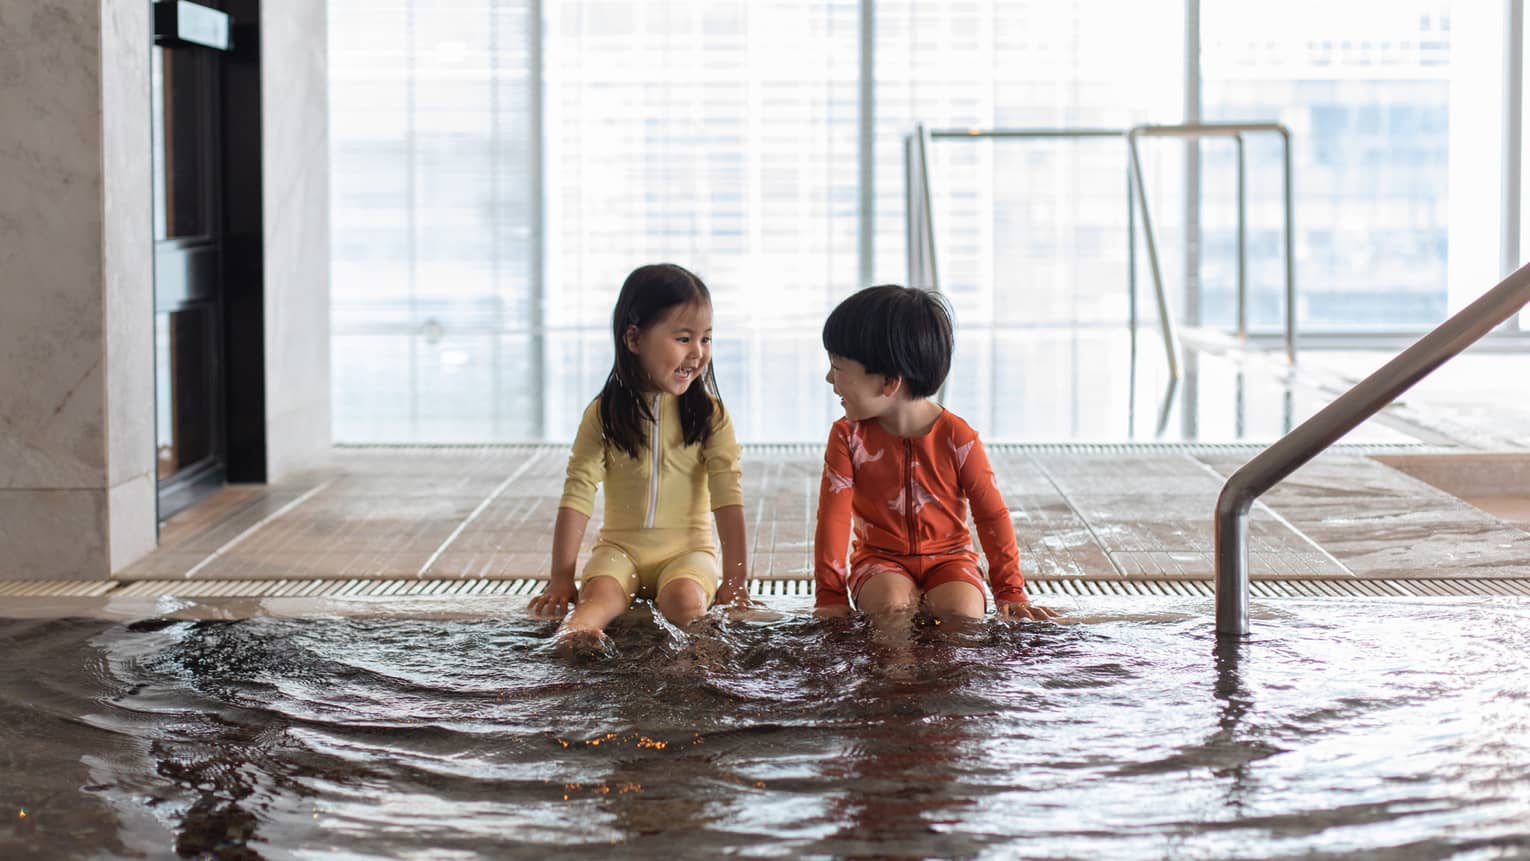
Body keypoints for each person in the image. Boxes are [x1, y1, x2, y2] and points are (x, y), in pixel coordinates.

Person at [528, 263, 749, 638]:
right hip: (620, 552)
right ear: (633, 339)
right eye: (683, 338)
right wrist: (561, 579)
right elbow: (578, 492)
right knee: (591, 607)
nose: (697, 352)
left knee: (687, 605)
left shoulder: (709, 415)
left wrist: (736, 580)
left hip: (688, 555)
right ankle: (576, 657)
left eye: (706, 339)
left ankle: (698, 673)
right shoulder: (605, 414)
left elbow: (728, 497)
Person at [813, 285, 1058, 622]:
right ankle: (894, 673)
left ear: (888, 382)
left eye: (838, 368)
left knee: (962, 610)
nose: (829, 378)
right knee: (890, 604)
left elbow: (991, 516)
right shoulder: (847, 437)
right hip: (879, 560)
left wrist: (1010, 592)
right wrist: (830, 597)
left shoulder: (958, 438)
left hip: (951, 559)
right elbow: (833, 520)